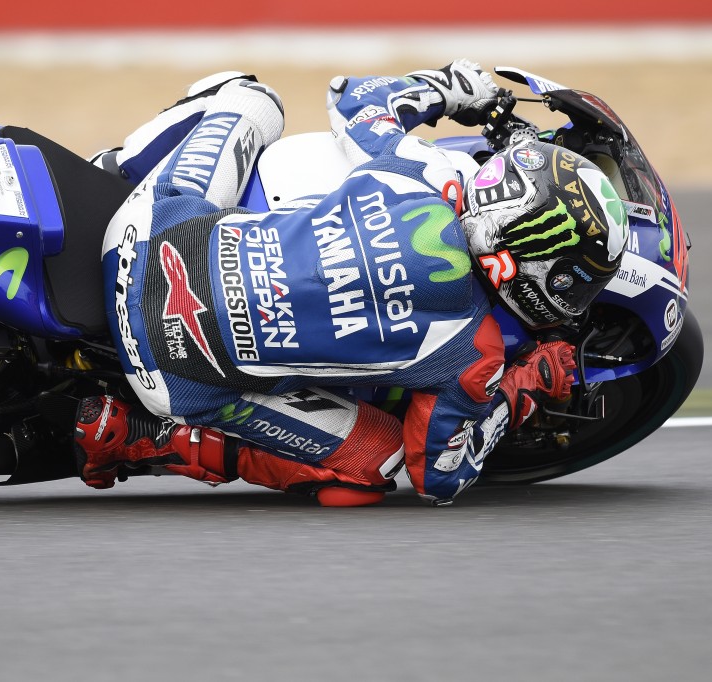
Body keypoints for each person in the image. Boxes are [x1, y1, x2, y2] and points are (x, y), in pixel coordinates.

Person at [76, 60, 628, 506]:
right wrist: (523, 386)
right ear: (523, 264)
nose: (571, 296)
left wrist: (452, 90)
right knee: (374, 466)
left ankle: (109, 170)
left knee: (252, 99)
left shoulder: (417, 172)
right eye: (570, 280)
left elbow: (353, 96)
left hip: (145, 233)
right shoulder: (475, 352)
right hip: (172, 373)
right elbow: (439, 476)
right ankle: (145, 437)